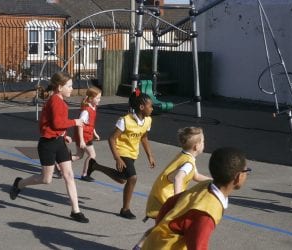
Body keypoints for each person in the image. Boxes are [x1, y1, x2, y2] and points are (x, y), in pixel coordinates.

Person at [9, 72, 89, 223]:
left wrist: (63, 135)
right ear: (60, 87)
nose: (72, 89)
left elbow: (55, 124)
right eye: (69, 86)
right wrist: (75, 122)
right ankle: (19, 184)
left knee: (69, 175)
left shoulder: (59, 101)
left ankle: (75, 210)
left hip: (59, 142)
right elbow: (57, 123)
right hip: (47, 144)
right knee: (46, 180)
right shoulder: (55, 101)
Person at [141, 147, 250, 250]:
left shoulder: (206, 185)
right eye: (247, 171)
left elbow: (170, 203)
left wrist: (160, 227)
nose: (247, 174)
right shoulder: (207, 212)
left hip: (156, 243)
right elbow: (198, 247)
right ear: (238, 177)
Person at [133, 127, 212, 250]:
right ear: (196, 146)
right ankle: (142, 247)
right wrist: (179, 200)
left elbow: (195, 176)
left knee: (160, 228)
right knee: (165, 229)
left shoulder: (186, 157)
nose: (204, 144)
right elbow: (178, 178)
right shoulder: (188, 163)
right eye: (203, 141)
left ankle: (139, 247)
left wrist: (212, 181)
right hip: (164, 199)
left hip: (161, 195)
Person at [86, 90, 155, 219]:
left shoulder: (148, 121)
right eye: (150, 106)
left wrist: (149, 155)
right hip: (122, 151)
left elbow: (144, 137)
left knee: (122, 179)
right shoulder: (125, 120)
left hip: (133, 152)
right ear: (141, 107)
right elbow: (111, 138)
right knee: (132, 178)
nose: (152, 108)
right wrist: (117, 158)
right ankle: (125, 209)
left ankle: (95, 166)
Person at [72, 86, 102, 182]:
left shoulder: (93, 107)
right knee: (92, 155)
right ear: (91, 98)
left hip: (87, 134)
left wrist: (95, 132)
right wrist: (81, 140)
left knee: (79, 155)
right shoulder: (86, 111)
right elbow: (80, 125)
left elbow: (90, 123)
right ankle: (85, 174)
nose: (99, 100)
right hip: (84, 136)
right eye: (97, 98)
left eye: (100, 98)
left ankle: (60, 163)